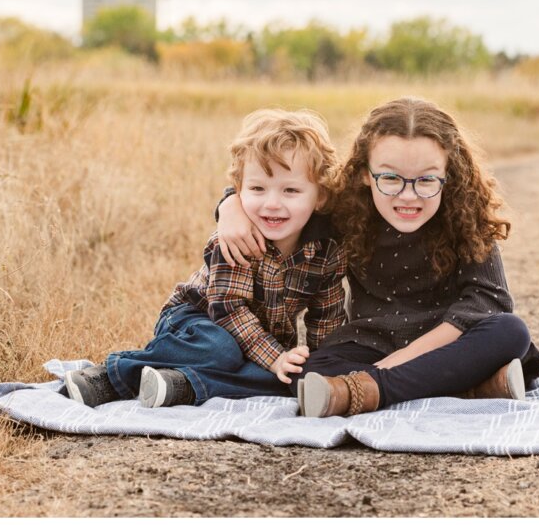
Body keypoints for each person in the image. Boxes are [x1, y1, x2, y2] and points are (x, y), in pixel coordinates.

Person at [217, 97, 539, 417]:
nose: (408, 195)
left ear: (450, 175)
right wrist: (229, 205)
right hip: (370, 343)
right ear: (363, 173)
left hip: (450, 345)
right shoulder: (346, 209)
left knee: (510, 332)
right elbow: (285, 202)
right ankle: (473, 388)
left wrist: (399, 363)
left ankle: (372, 390)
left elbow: (488, 301)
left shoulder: (466, 215)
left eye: (427, 179)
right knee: (307, 372)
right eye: (389, 178)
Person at [64, 108, 348, 410]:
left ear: (320, 196)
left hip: (253, 338)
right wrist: (274, 356)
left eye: (291, 190)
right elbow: (228, 310)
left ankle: (181, 385)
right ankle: (113, 374)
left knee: (290, 378)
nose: (272, 204)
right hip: (196, 321)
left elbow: (327, 317)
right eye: (257, 189)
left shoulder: (326, 250)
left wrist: (321, 367)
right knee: (221, 350)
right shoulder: (237, 238)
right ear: (238, 190)